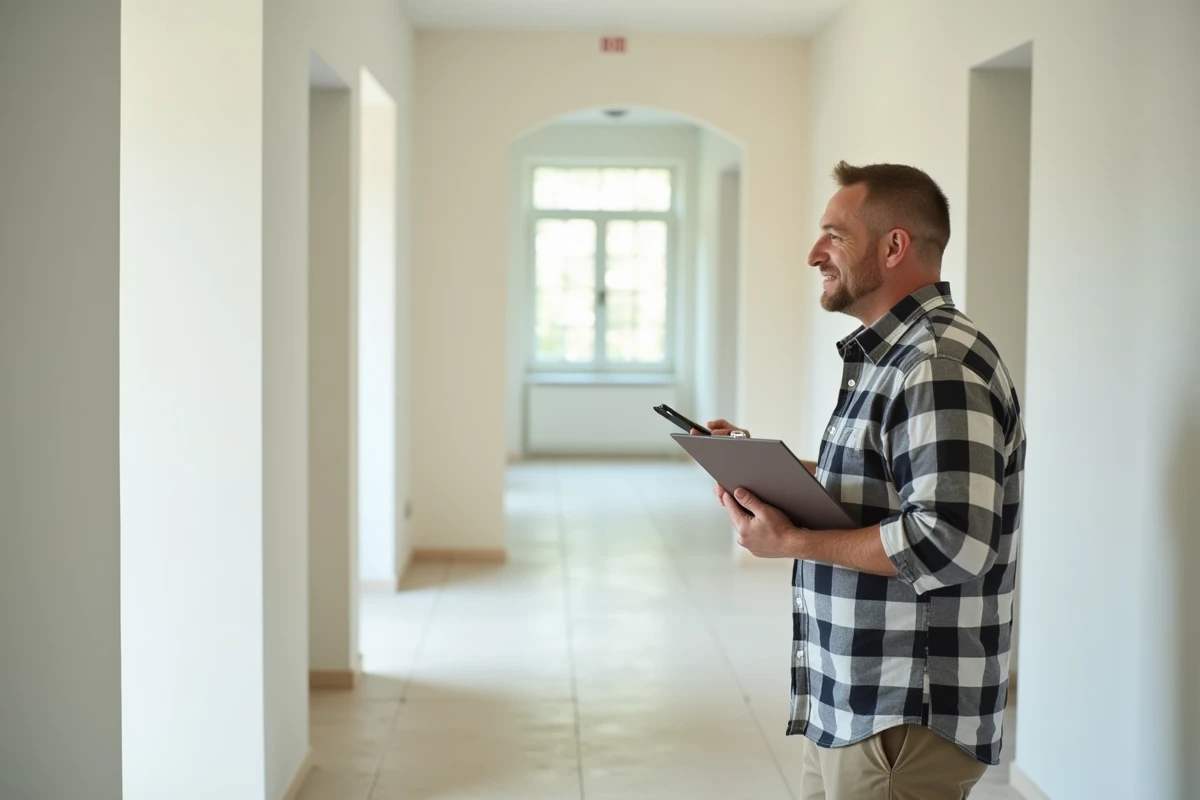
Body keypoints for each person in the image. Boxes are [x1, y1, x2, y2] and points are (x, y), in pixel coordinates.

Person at [697, 162, 1025, 800]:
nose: (815, 254)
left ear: (894, 246)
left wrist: (790, 542)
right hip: (855, 697)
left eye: (834, 236)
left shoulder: (937, 366)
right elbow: (890, 483)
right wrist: (769, 468)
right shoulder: (892, 357)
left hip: (903, 711)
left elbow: (949, 540)